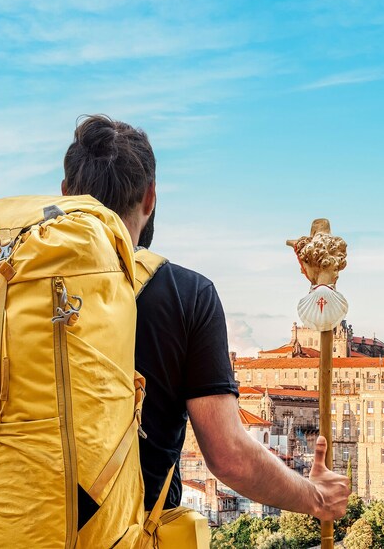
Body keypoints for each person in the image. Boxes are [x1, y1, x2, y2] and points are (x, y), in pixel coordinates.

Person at [60, 114, 349, 521]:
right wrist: (316, 498)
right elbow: (228, 456)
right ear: (150, 197)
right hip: (121, 534)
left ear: (66, 193)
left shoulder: (3, 285)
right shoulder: (185, 294)